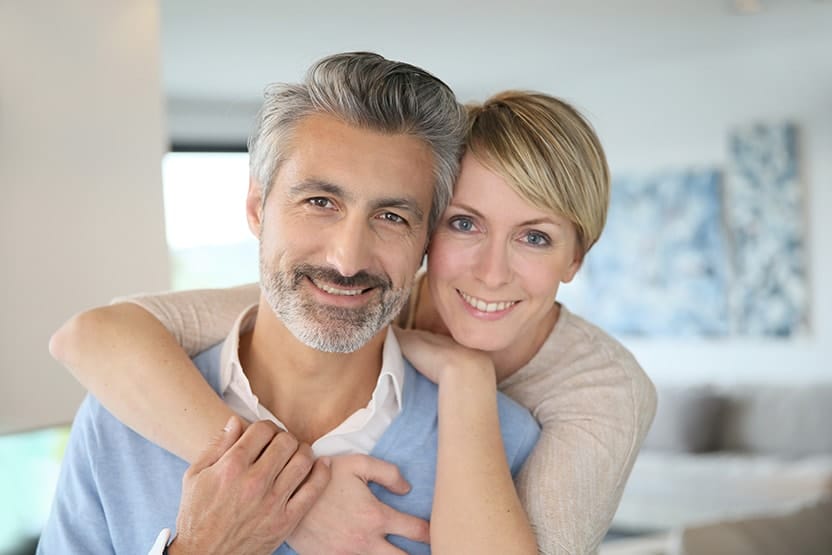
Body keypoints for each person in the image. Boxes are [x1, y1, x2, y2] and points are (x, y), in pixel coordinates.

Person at [51, 87, 658, 553]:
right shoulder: (129, 408)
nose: (490, 272)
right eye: (465, 224)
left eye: (534, 236)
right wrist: (285, 495)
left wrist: (467, 378)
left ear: (578, 256)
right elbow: (91, 335)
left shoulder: (548, 421)